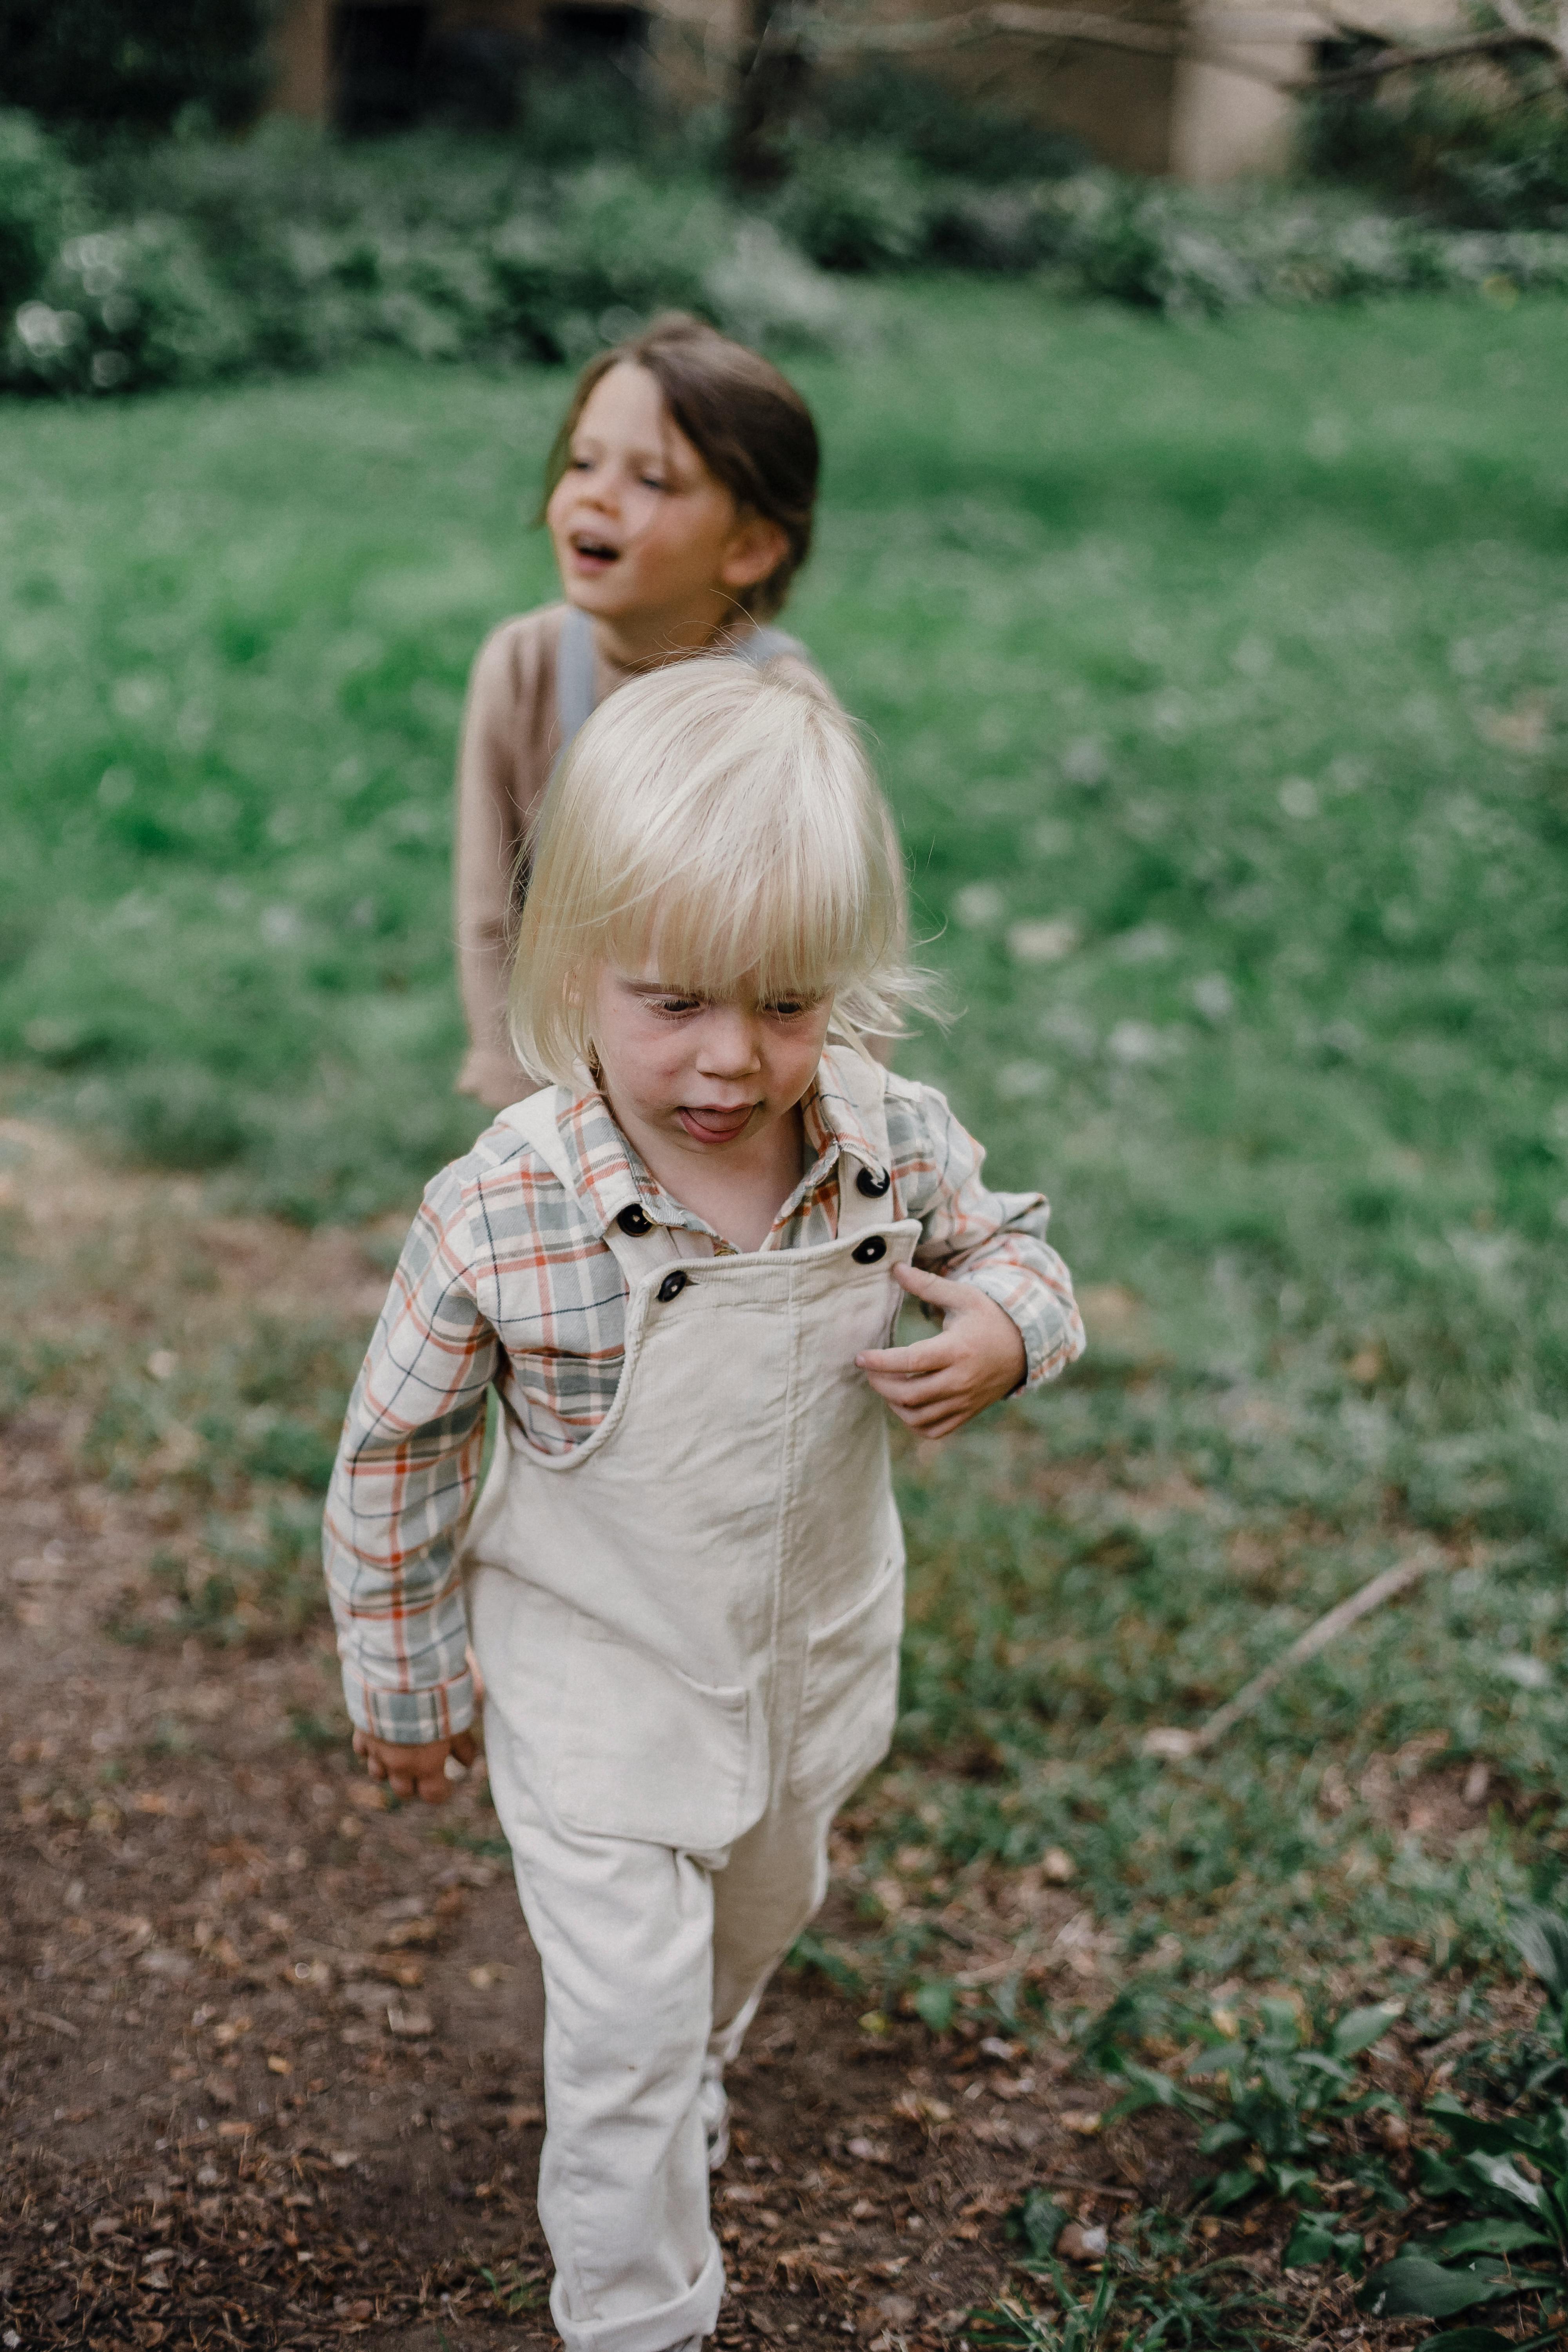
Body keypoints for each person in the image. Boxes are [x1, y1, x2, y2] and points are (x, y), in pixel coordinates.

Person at [324, 659, 1085, 2352]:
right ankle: (638, 2312)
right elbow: (398, 1455)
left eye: (788, 1003)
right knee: (620, 2033)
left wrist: (1007, 1328)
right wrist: (405, 1678)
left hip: (809, 1659)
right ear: (572, 968)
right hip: (598, 1681)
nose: (733, 1061)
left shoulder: (888, 1142)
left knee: (758, 1920)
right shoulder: (506, 1212)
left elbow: (1017, 1246)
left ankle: (698, 2063)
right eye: (673, 1002)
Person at [455, 310, 823, 1111]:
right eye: (583, 461)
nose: (597, 496)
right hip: (561, 1096)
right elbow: (491, 914)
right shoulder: (521, 670)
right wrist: (517, 1098)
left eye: (650, 480)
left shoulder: (778, 711)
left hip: (728, 1104)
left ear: (749, 547)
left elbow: (837, 958)